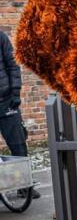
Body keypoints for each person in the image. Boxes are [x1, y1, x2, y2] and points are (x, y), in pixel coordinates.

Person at [0, 30, 40, 198]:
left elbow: (13, 64)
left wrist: (15, 93)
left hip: (6, 100)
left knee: (18, 144)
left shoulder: (1, 37)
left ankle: (24, 186)